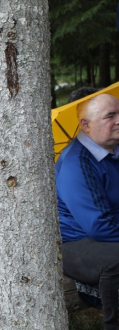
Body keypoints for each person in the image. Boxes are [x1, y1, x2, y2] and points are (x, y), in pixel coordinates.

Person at [56, 93, 119, 330]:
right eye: (110, 116)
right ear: (86, 125)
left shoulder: (114, 151)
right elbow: (99, 225)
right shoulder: (76, 162)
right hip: (76, 241)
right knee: (115, 261)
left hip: (108, 231)